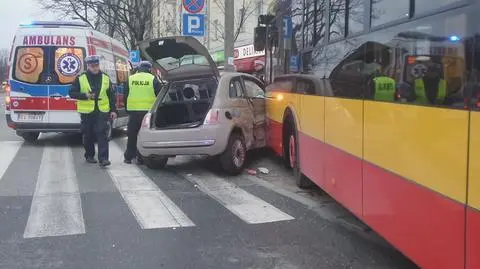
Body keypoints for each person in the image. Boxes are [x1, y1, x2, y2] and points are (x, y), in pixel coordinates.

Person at [69, 55, 117, 167]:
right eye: (92, 66)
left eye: (96, 65)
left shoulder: (105, 77)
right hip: (87, 112)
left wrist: (113, 110)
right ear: (88, 66)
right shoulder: (80, 78)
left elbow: (111, 95)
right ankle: (89, 155)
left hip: (102, 111)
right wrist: (85, 96)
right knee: (88, 134)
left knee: (102, 133)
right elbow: (72, 93)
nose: (95, 68)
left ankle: (103, 159)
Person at [123, 61, 162, 164]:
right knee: (144, 134)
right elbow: (160, 95)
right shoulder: (153, 79)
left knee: (132, 134)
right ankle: (141, 157)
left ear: (139, 68)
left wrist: (127, 109)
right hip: (148, 112)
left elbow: (125, 95)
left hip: (133, 111)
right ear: (149, 69)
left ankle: (128, 157)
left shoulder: (131, 79)